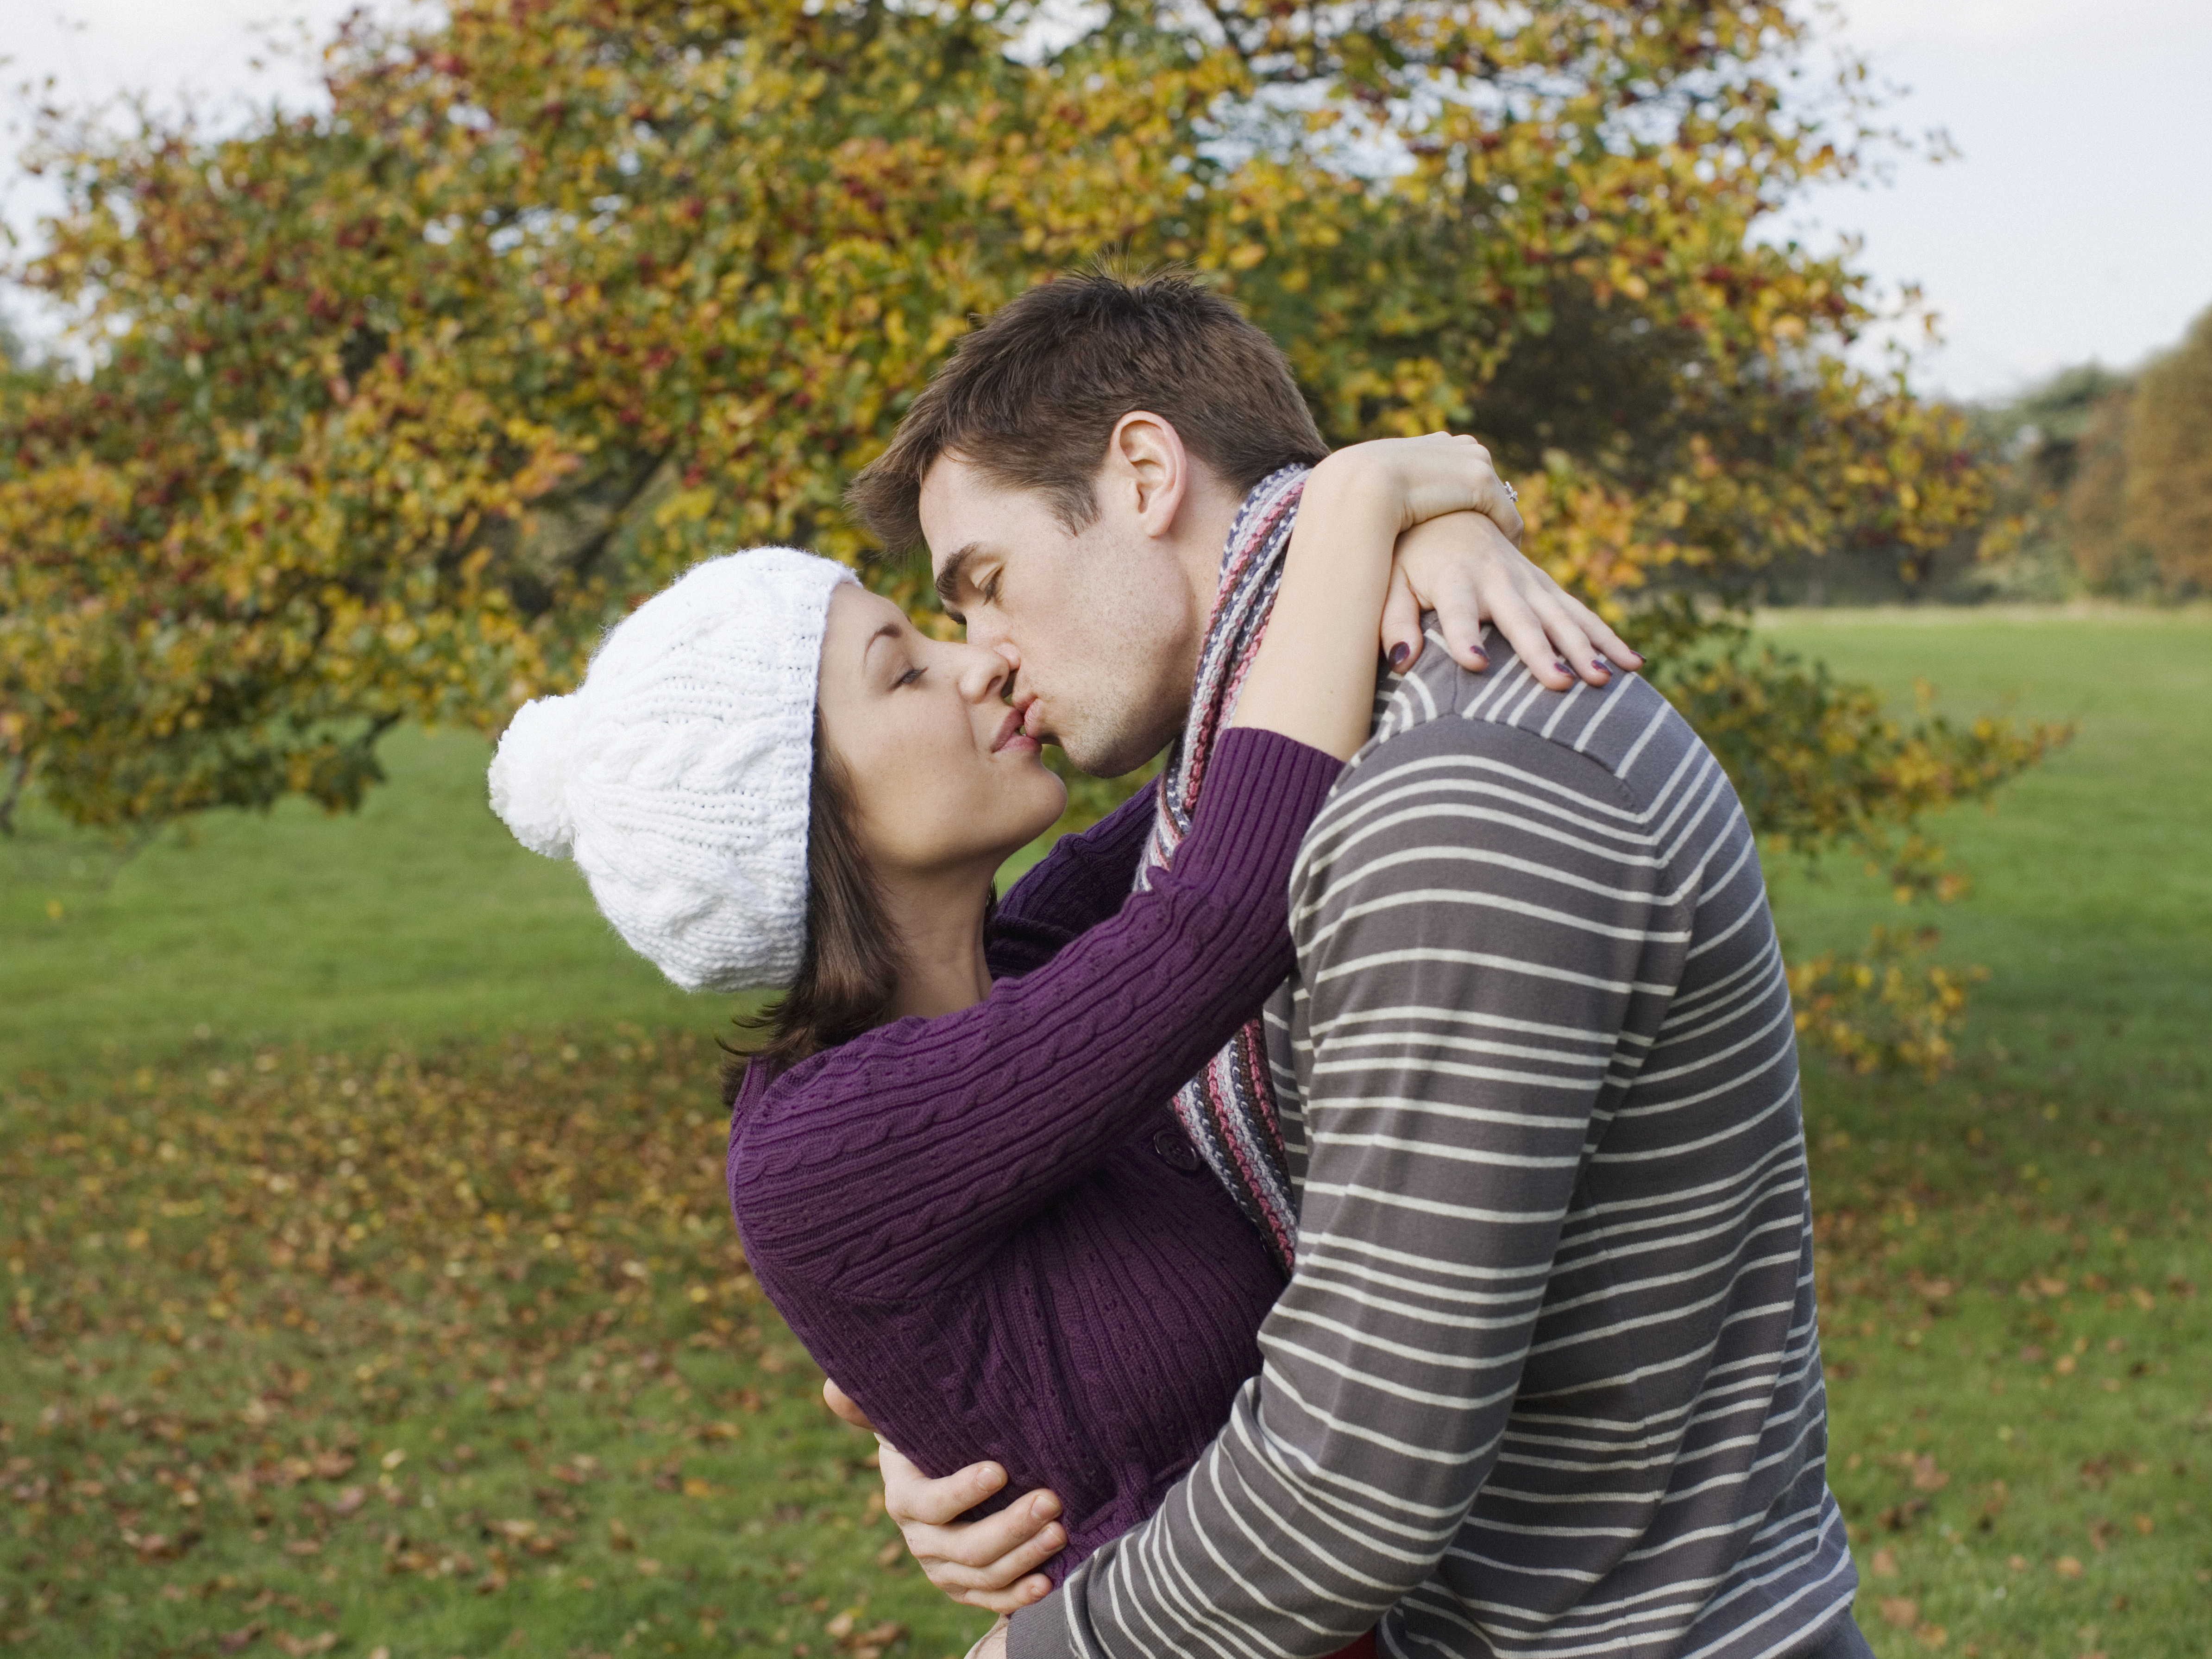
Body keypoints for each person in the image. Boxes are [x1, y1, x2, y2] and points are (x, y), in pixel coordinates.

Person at [847, 270, 1870, 1659]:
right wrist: (975, 1422)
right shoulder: (1268, 775)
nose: (987, 659)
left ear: (1145, 471)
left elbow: (1351, 1484)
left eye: (989, 584)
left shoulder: (1448, 800)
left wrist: (1044, 1653)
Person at [484, 435, 1623, 1632]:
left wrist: (1433, 540)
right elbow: (1220, 911)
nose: (976, 661)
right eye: (905, 671)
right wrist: (1357, 504)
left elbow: (1245, 753)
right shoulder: (824, 1148)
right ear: (805, 820)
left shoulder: (1012, 966)